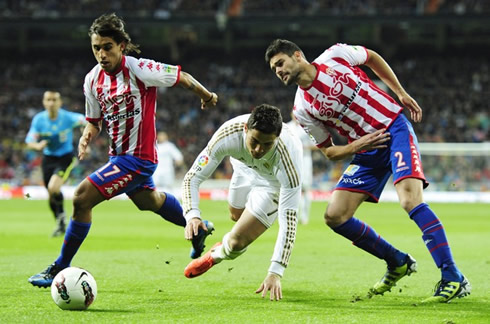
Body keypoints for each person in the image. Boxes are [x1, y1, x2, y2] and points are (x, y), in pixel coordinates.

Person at [265, 39, 470, 303]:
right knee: (335, 216)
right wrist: (356, 145)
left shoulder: (334, 56)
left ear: (297, 55)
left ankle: (453, 276)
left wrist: (400, 92)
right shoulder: (302, 109)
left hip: (393, 127)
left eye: (280, 63)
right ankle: (397, 262)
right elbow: (328, 152)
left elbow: (371, 56)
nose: (278, 70)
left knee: (410, 200)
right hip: (366, 150)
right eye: (274, 69)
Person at [28, 13, 218, 288]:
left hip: (138, 158)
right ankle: (197, 227)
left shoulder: (140, 69)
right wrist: (85, 136)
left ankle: (59, 266)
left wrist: (207, 95)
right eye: (96, 48)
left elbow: (182, 77)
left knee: (81, 197)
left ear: (122, 46)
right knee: (148, 201)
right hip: (119, 156)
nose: (101, 54)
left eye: (107, 47)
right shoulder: (92, 80)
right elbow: (94, 122)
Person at [183, 104, 302, 301]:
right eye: (254, 141)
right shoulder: (228, 134)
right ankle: (224, 236)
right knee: (235, 216)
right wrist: (192, 215)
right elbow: (192, 178)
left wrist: (276, 271)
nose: (258, 149)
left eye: (267, 145)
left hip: (272, 185)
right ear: (246, 129)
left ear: (277, 139)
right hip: (242, 169)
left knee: (237, 241)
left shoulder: (288, 158)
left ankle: (215, 256)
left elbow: (289, 219)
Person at [25, 90, 86, 237]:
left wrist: (85, 140)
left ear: (60, 103)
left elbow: (85, 121)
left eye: (54, 100)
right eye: (48, 100)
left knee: (53, 187)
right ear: (44, 102)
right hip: (48, 159)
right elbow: (29, 140)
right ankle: (60, 221)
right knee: (51, 193)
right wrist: (37, 146)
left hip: (65, 156)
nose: (51, 103)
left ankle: (62, 216)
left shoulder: (67, 117)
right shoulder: (39, 120)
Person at [287, 113, 315, 224]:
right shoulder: (287, 127)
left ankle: (305, 216)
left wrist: (302, 147)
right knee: (294, 188)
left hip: (305, 160)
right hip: (291, 161)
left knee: (306, 188)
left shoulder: (307, 128)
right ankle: (295, 215)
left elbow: (316, 144)